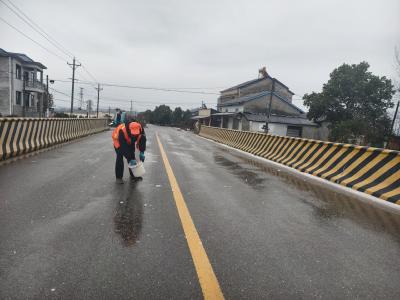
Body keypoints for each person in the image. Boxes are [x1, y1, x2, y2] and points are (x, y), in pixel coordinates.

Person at [112, 118, 146, 184]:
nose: (135, 135)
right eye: (134, 133)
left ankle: (134, 175)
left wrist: (142, 152)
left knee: (132, 155)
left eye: (136, 133)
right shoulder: (122, 131)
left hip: (129, 140)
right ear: (130, 130)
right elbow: (124, 147)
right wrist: (129, 158)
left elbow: (142, 140)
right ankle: (119, 178)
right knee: (120, 156)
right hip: (118, 141)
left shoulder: (140, 129)